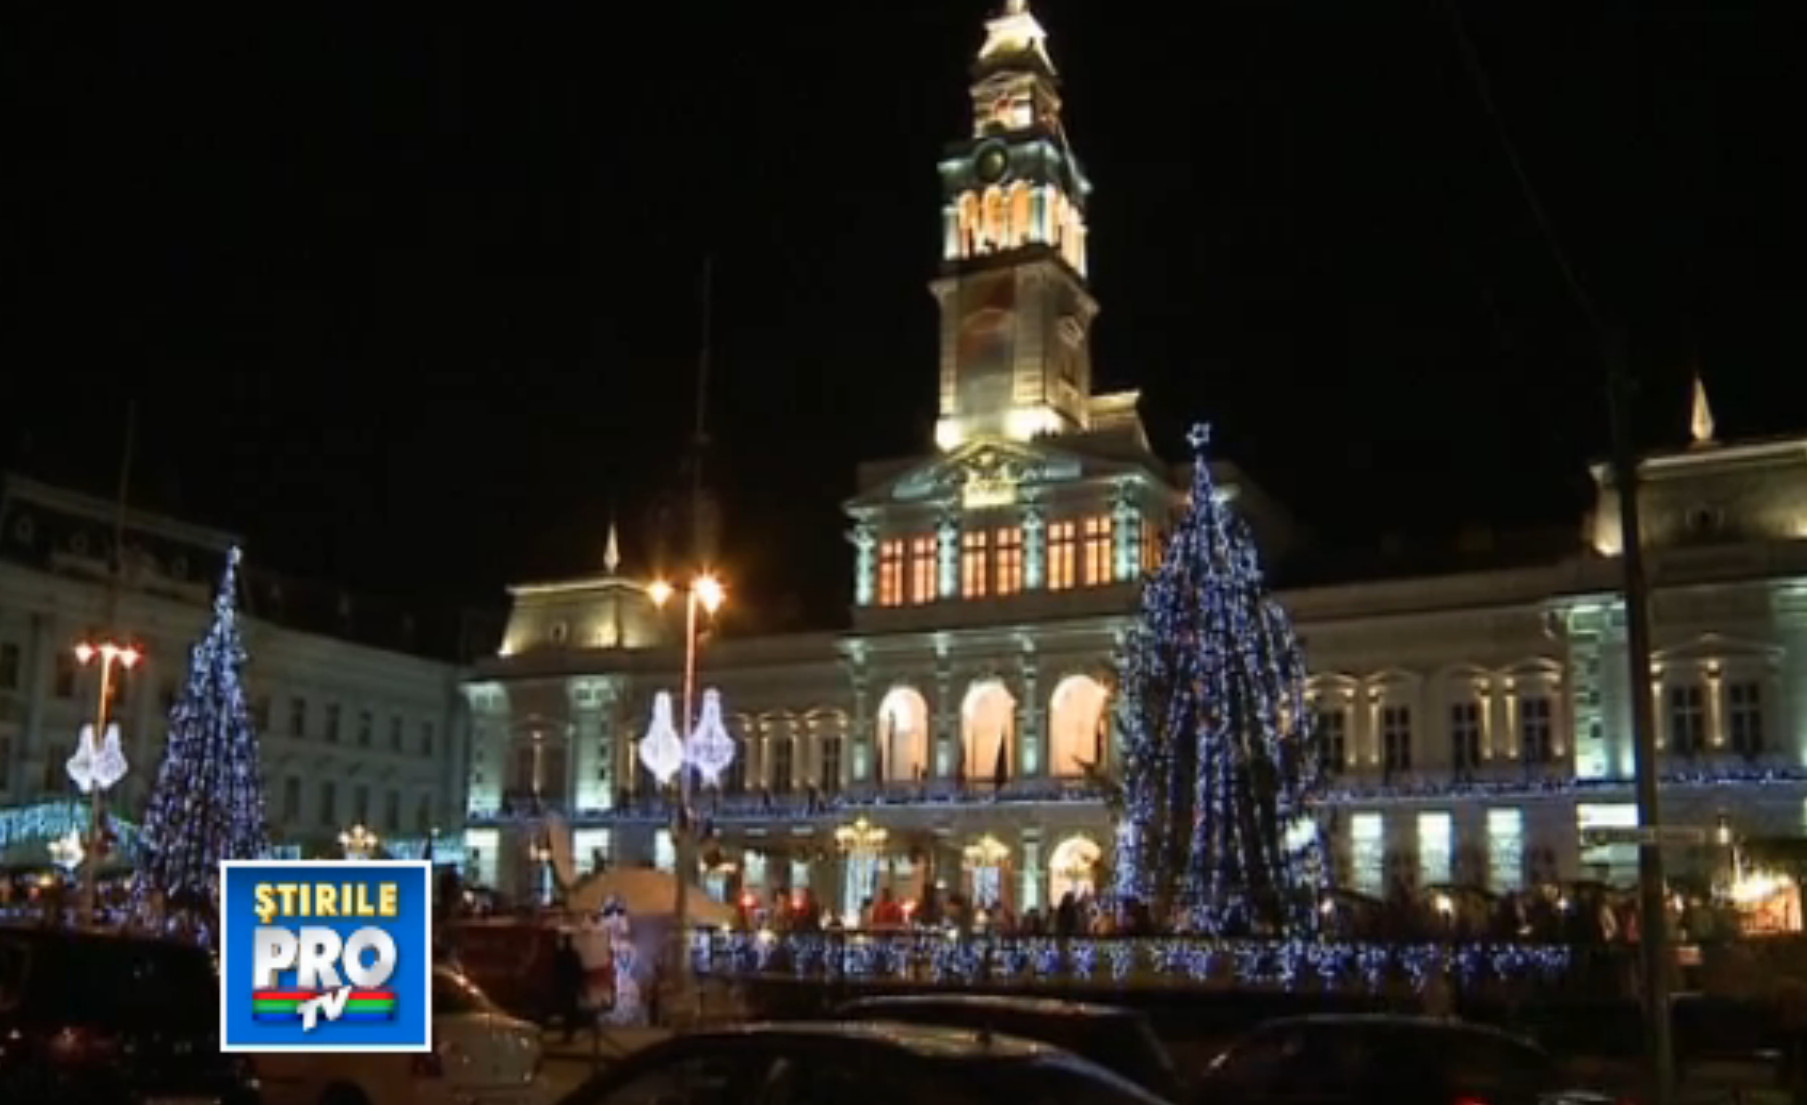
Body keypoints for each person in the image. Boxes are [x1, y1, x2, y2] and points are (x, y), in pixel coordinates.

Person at [552, 932, 587, 1043]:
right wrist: (580, 986)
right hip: (572, 987)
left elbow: (556, 971)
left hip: (564, 986)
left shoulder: (560, 955)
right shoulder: (574, 954)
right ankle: (569, 1033)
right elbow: (579, 971)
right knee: (571, 1011)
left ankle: (568, 1034)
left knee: (567, 1011)